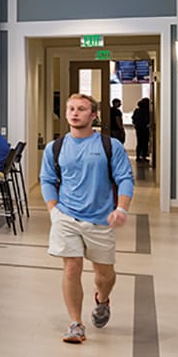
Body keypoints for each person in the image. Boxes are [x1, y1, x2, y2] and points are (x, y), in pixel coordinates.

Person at [41, 93, 133, 344]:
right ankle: (75, 323)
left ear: (93, 115)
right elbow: (47, 180)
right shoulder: (55, 148)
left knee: (104, 274)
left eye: (81, 109)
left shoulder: (109, 146)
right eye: (71, 108)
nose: (74, 113)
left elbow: (125, 178)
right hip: (66, 216)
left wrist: (121, 208)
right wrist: (53, 211)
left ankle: (102, 300)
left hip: (101, 219)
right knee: (71, 267)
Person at [133, 98, 153, 162]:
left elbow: (133, 119)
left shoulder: (136, 111)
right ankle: (144, 156)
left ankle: (138, 156)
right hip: (144, 129)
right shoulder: (147, 112)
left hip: (138, 129)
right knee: (145, 143)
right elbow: (147, 120)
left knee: (139, 143)